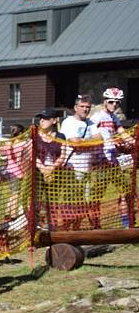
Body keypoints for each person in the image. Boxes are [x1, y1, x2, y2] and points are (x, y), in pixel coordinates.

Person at [59, 94, 104, 229]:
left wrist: (83, 141)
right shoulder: (69, 122)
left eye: (88, 107)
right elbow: (74, 142)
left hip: (87, 168)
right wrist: (88, 142)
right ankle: (67, 230)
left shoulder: (90, 123)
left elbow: (100, 139)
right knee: (71, 200)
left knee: (83, 202)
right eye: (82, 106)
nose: (85, 109)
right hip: (72, 168)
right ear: (75, 108)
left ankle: (76, 229)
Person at [90, 87, 132, 227]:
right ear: (104, 101)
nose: (114, 105)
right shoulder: (96, 117)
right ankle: (96, 225)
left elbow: (122, 132)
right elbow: (90, 136)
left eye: (117, 102)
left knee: (124, 192)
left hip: (114, 162)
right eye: (111, 102)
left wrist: (132, 140)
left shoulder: (114, 117)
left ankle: (126, 224)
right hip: (101, 162)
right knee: (97, 196)